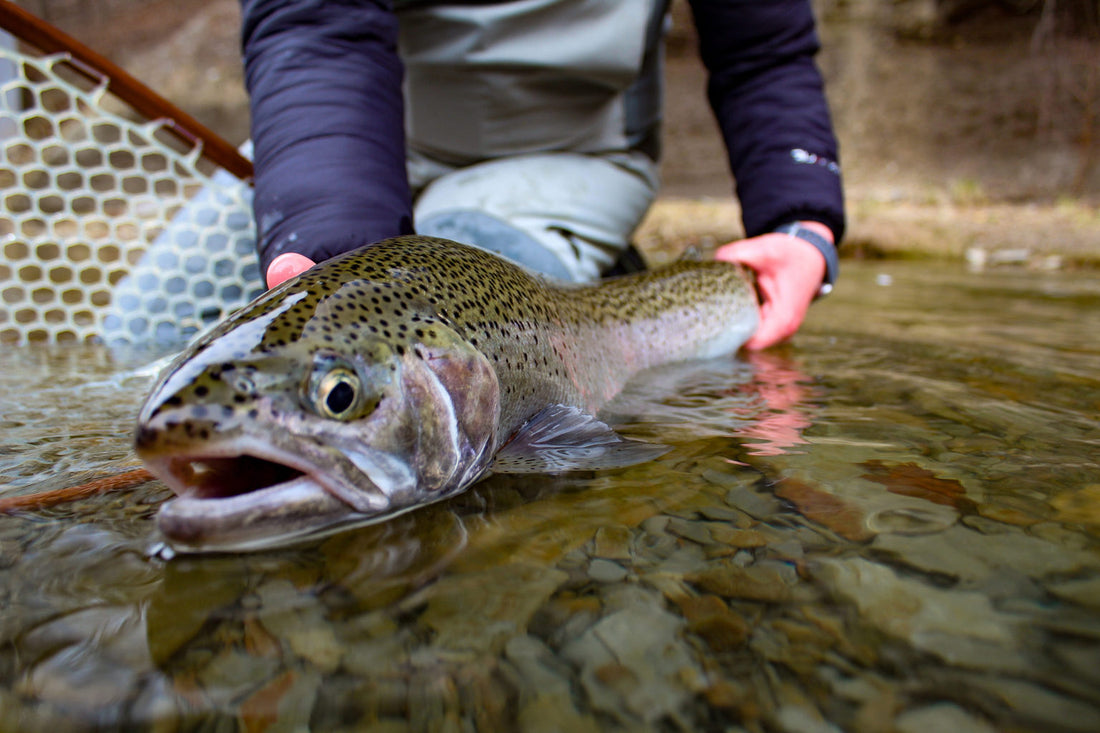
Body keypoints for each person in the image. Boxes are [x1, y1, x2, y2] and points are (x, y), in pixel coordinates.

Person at [240, 0, 845, 350]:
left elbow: (763, 50)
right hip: (354, 144)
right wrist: (340, 253)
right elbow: (315, 27)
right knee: (165, 339)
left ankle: (599, 273)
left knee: (479, 347)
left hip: (571, 156)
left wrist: (800, 220)